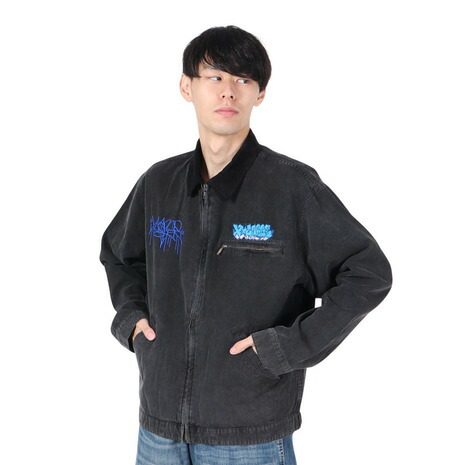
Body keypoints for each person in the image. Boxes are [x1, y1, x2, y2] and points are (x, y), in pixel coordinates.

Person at [99, 25, 393, 465]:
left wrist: (287, 347)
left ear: (260, 94)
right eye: (214, 77)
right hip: (158, 430)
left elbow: (367, 273)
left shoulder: (292, 187)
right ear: (187, 87)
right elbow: (120, 255)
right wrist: (131, 320)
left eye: (243, 79)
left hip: (248, 435)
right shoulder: (158, 183)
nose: (228, 91)